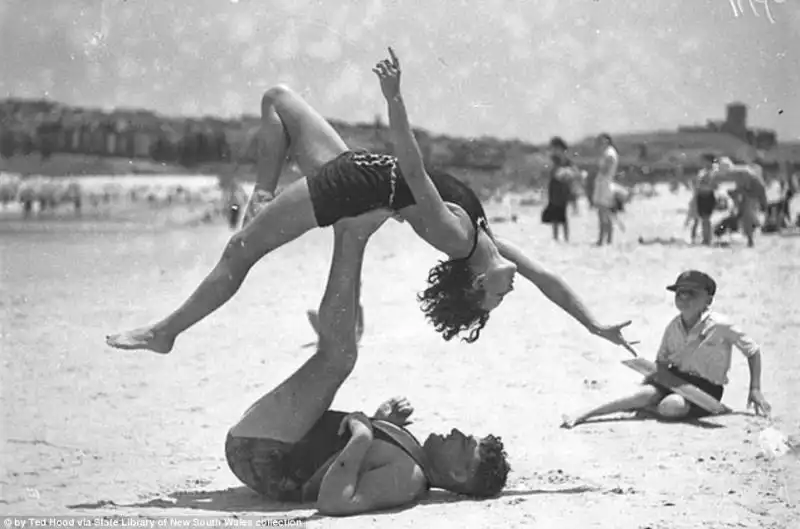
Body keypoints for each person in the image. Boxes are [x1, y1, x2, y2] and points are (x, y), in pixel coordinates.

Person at [106, 48, 634, 354]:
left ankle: (164, 332)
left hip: (354, 187)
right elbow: (549, 282)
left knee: (242, 249)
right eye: (499, 298)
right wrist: (594, 325)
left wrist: (395, 100)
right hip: (363, 169)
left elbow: (413, 169)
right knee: (277, 99)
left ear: (476, 281)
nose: (508, 292)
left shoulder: (456, 238)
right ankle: (263, 192)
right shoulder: (482, 240)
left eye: (495, 299)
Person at [225, 210, 510, 515]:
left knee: (339, 357)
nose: (455, 431)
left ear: (458, 474)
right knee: (339, 354)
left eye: (464, 443)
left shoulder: (410, 479)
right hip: (272, 440)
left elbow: (335, 502)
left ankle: (352, 232)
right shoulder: (413, 458)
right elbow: (352, 459)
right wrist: (380, 422)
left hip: (268, 455)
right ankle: (351, 233)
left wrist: (363, 435)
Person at [561, 270, 771, 428]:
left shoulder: (721, 325)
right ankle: (585, 414)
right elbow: (661, 361)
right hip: (675, 379)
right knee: (640, 394)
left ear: (708, 299)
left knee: (671, 407)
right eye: (680, 294)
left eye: (692, 294)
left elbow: (752, 350)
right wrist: (652, 380)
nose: (684, 298)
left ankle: (650, 406)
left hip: (706, 389)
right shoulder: (673, 326)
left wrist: (755, 389)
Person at [714, 156, 767, 248]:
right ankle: (752, 233)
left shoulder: (739, 172)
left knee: (746, 215)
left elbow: (745, 187)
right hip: (752, 192)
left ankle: (751, 238)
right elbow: (742, 188)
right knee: (745, 214)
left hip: (753, 192)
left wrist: (736, 194)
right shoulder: (738, 170)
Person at [541, 137, 577, 242]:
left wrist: (566, 174)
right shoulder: (553, 159)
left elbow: (574, 172)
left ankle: (566, 238)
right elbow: (548, 171)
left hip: (563, 189)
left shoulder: (566, 160)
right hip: (554, 188)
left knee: (563, 214)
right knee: (554, 213)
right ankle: (555, 237)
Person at [592, 133, 620, 246]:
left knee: (603, 212)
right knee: (604, 212)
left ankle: (604, 239)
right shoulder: (607, 153)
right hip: (603, 183)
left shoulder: (609, 153)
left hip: (605, 184)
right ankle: (606, 239)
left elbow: (605, 170)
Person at [689, 154, 719, 245]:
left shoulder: (714, 172)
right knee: (699, 219)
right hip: (700, 196)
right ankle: (701, 238)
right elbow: (697, 185)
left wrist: (705, 186)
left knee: (706, 219)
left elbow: (715, 186)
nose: (702, 162)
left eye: (704, 161)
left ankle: (707, 239)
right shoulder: (702, 172)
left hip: (708, 196)